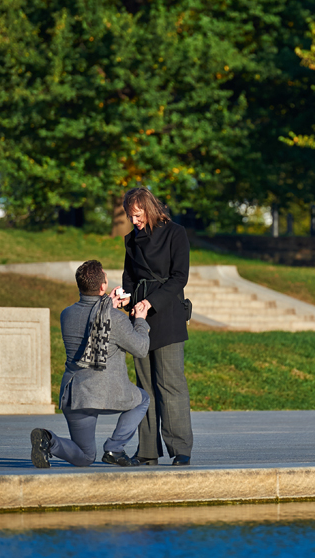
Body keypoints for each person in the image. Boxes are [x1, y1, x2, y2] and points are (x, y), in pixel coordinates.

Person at [29, 260, 151, 468]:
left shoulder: (66, 314)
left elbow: (92, 319)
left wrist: (107, 304)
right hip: (105, 391)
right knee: (143, 400)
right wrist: (139, 320)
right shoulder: (115, 318)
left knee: (85, 456)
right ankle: (115, 447)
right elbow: (140, 348)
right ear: (103, 286)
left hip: (74, 393)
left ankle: (49, 441)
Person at [120, 187, 193, 466]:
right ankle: (147, 451)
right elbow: (129, 276)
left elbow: (179, 277)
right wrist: (124, 299)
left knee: (171, 384)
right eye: (130, 216)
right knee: (144, 386)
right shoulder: (132, 238)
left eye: (137, 215)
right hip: (139, 316)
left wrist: (151, 302)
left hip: (167, 312)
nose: (134, 221)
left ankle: (180, 449)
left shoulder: (176, 233)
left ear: (149, 209)